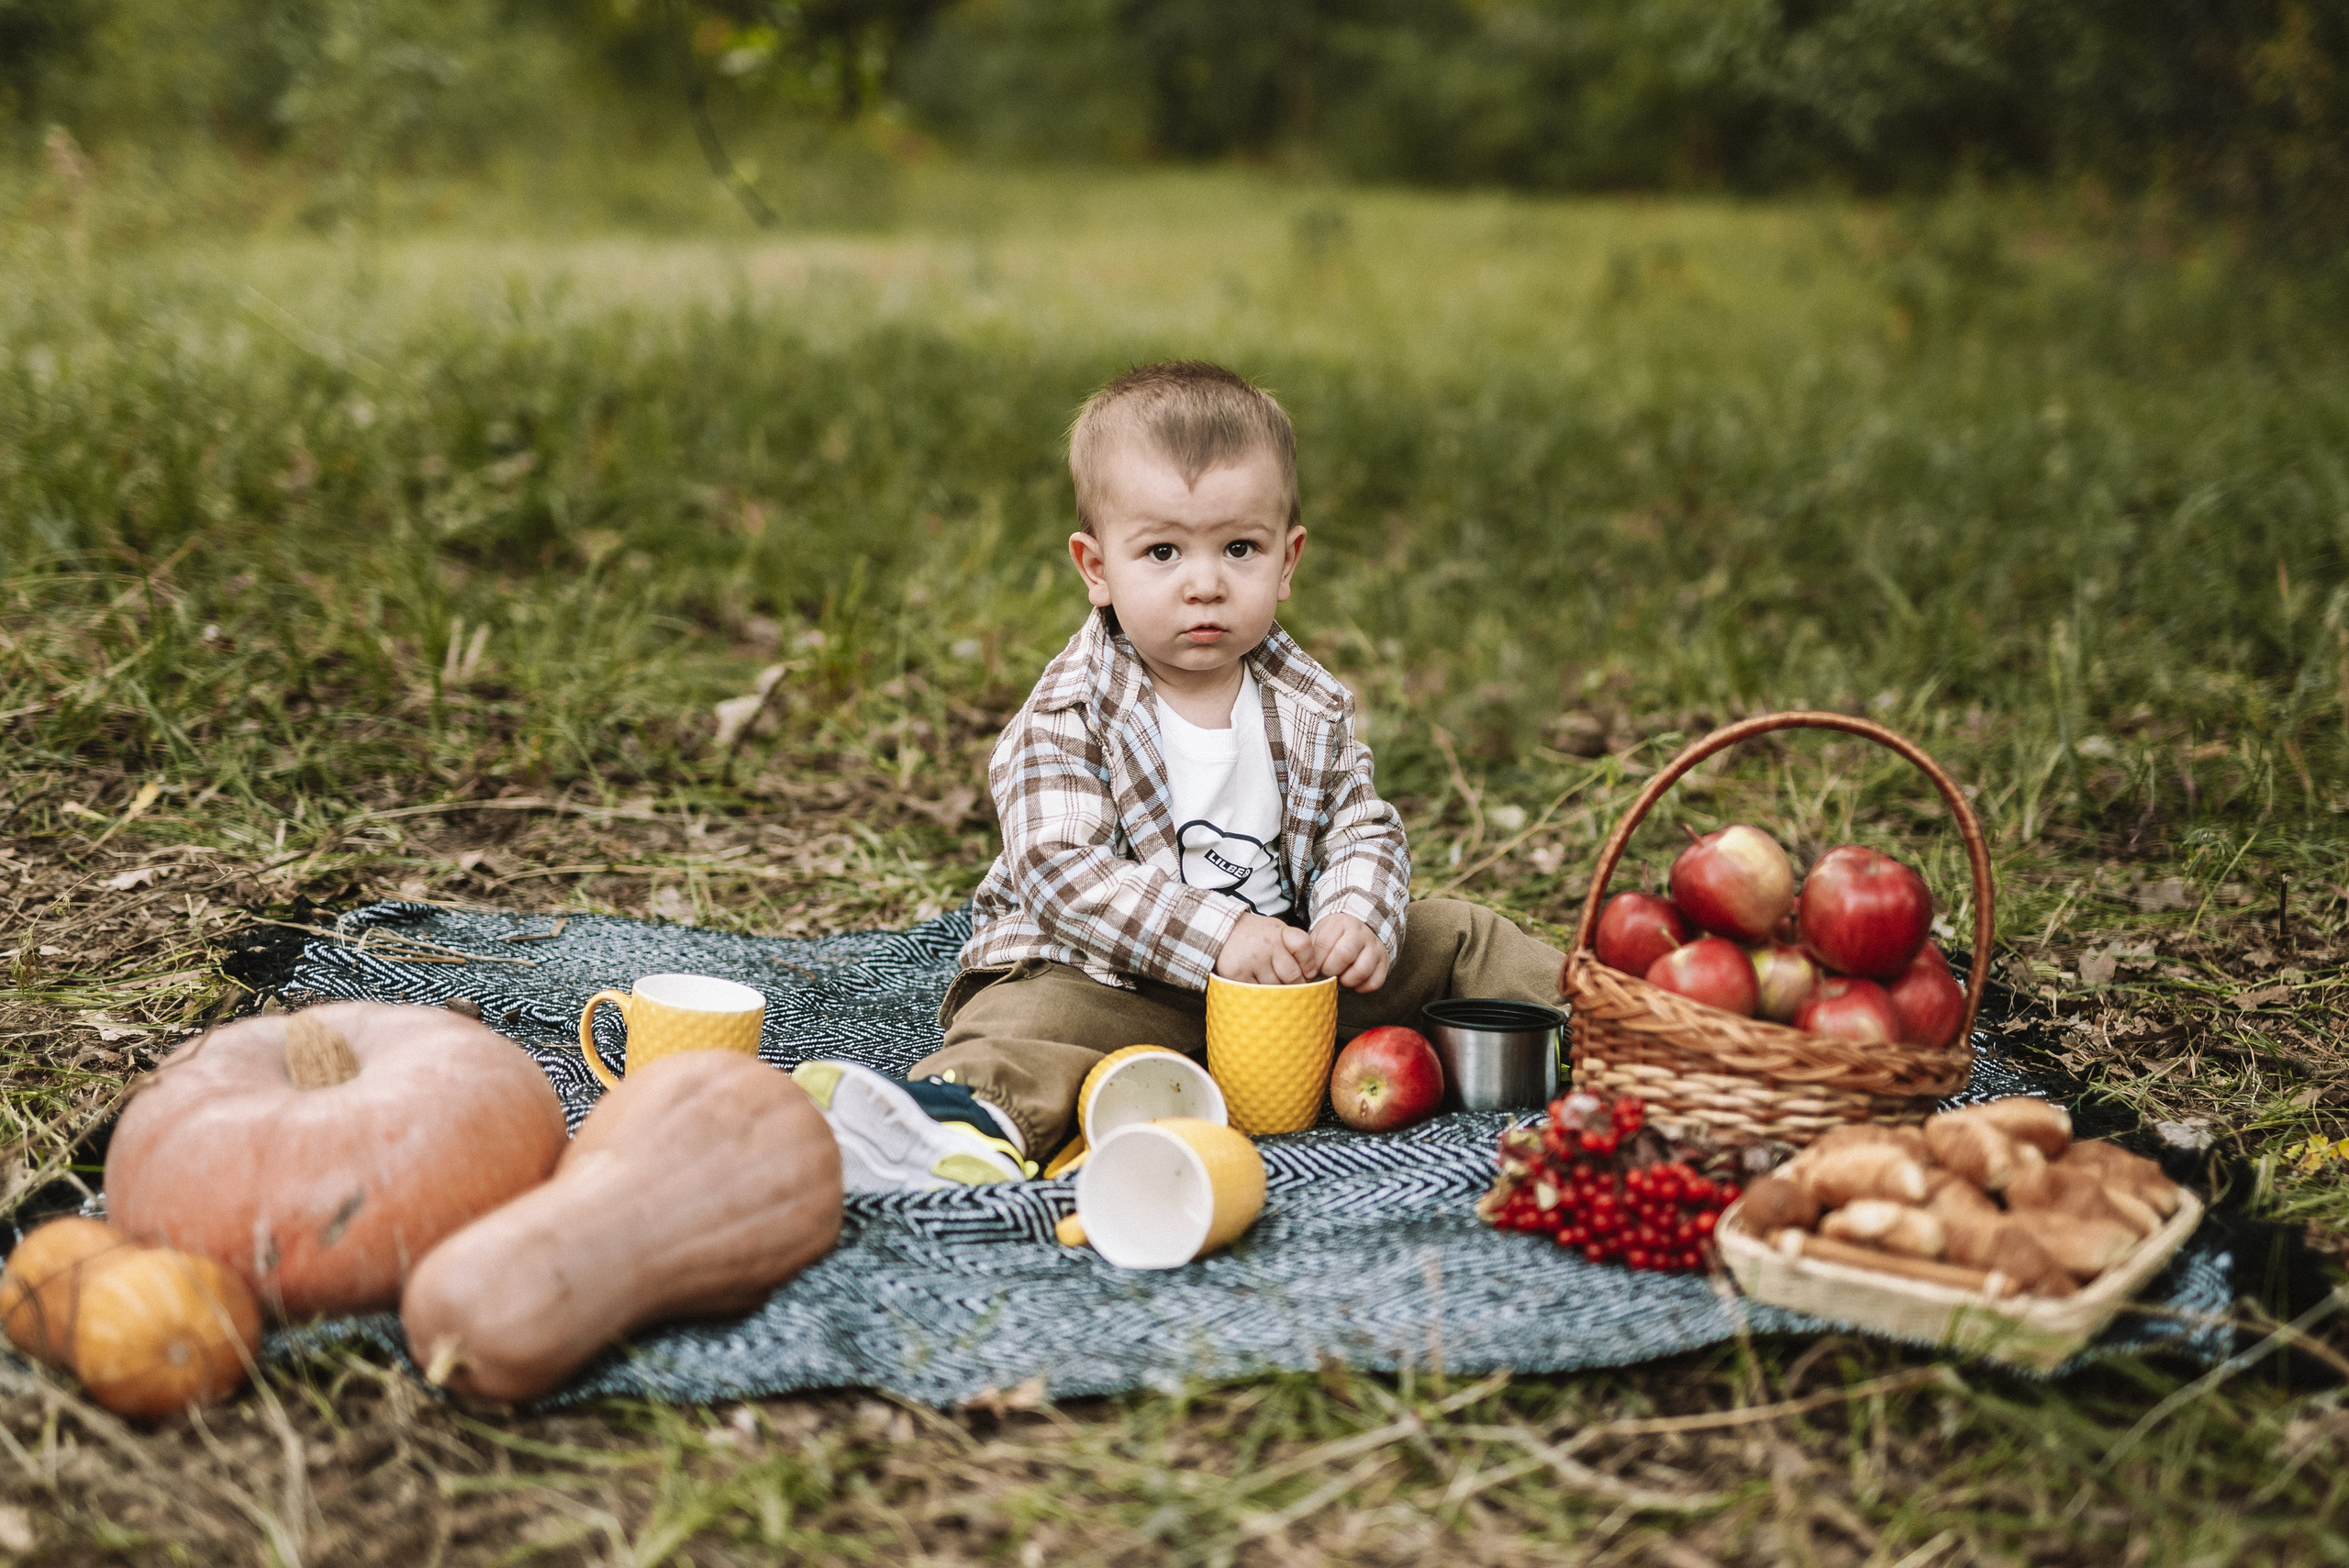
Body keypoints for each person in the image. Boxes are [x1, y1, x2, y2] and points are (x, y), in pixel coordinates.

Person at [792, 361, 1564, 1189]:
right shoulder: (1070, 712)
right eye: (1162, 551)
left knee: (1456, 934)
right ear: (1096, 568)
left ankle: (1620, 1024)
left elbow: (1359, 822)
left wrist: (1354, 912)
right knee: (1032, 1021)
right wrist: (1219, 936)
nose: (1205, 582)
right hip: (1114, 981)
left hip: (1290, 988)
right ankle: (951, 1121)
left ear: (1288, 558)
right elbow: (1063, 876)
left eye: (1240, 548)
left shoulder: (1309, 703)